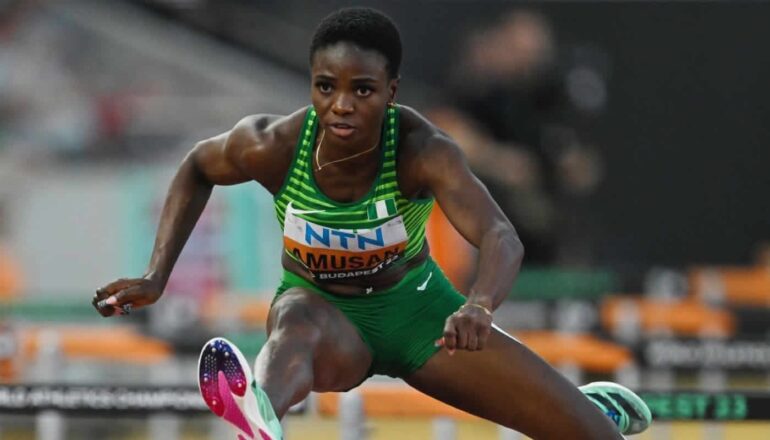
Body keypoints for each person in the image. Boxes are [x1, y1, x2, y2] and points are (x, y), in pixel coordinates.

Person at [93, 8, 650, 440]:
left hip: (420, 316)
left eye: (361, 90)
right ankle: (261, 414)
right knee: (295, 324)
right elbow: (197, 167)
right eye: (325, 86)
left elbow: (499, 235)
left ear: (390, 91)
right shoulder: (274, 145)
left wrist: (478, 305)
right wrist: (156, 275)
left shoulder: (421, 150)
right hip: (324, 311)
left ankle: (581, 410)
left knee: (590, 435)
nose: (341, 105)